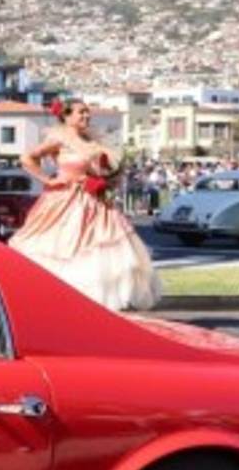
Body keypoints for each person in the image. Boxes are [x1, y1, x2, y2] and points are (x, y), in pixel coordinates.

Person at [10, 99, 161, 311]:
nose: (86, 117)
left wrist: (107, 180)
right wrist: (48, 180)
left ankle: (94, 306)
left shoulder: (92, 141)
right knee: (64, 247)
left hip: (96, 201)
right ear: (67, 116)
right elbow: (27, 158)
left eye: (88, 113)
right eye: (81, 113)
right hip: (66, 201)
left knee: (104, 251)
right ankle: (60, 303)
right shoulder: (59, 138)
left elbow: (106, 171)